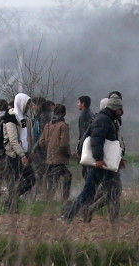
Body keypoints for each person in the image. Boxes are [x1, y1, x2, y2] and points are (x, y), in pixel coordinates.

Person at [62, 96, 125, 224]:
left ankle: (113, 220)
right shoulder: (103, 120)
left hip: (105, 164)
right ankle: (69, 215)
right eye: (119, 109)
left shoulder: (108, 119)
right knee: (90, 192)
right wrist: (99, 159)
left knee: (111, 190)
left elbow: (109, 145)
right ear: (114, 108)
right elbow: (97, 140)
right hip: (100, 165)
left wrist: (118, 160)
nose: (121, 111)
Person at [3, 93, 36, 213]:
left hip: (25, 155)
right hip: (14, 156)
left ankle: (10, 201)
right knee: (17, 181)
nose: (28, 106)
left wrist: (29, 152)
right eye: (27, 103)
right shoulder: (10, 118)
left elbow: (27, 137)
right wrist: (22, 155)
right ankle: (11, 207)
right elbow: (13, 140)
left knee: (31, 179)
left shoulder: (25, 119)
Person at [35, 104, 71, 201]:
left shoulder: (48, 125)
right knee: (67, 177)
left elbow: (41, 142)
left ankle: (48, 198)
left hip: (49, 157)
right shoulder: (63, 126)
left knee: (52, 180)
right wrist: (68, 154)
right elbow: (64, 144)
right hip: (60, 158)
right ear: (64, 113)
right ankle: (64, 198)